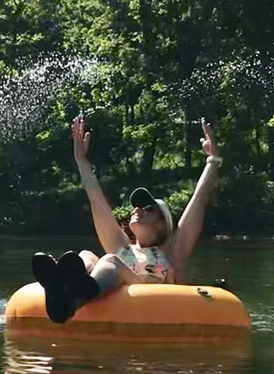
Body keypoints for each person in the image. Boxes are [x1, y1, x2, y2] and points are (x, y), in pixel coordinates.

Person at [32, 115, 223, 323]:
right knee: (86, 255)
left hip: (151, 304)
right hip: (112, 289)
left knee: (110, 259)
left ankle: (73, 302)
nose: (138, 210)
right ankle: (60, 290)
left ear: (162, 225)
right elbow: (97, 201)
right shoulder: (122, 246)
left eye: (148, 208)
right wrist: (81, 160)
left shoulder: (172, 250)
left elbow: (199, 199)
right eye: (136, 207)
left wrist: (212, 161)